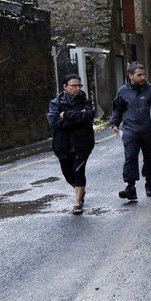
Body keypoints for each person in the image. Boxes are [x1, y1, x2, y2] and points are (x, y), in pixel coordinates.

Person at [47, 74, 95, 215]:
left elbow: (88, 117)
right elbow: (55, 123)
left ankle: (78, 202)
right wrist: (78, 116)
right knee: (68, 175)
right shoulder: (55, 103)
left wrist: (66, 115)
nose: (77, 88)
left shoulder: (86, 101)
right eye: (74, 86)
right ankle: (79, 190)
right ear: (65, 86)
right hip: (62, 144)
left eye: (79, 85)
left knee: (79, 171)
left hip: (83, 143)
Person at [110, 62, 151, 201]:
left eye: (144, 74)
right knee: (130, 158)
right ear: (130, 76)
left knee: (149, 158)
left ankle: (149, 183)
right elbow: (117, 108)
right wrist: (114, 123)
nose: (143, 77)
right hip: (130, 130)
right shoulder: (123, 91)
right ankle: (131, 188)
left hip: (149, 130)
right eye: (139, 75)